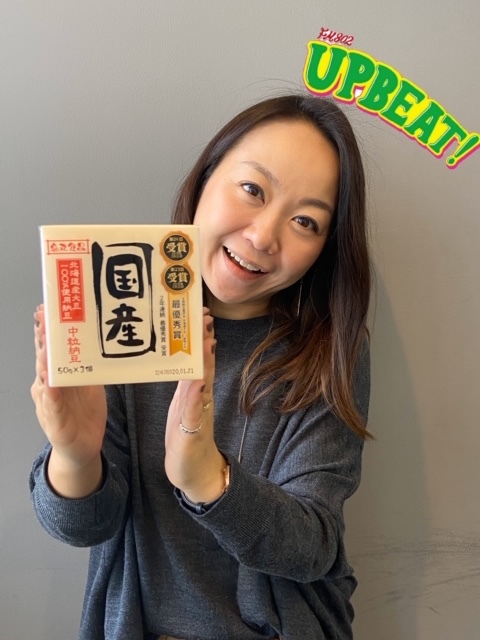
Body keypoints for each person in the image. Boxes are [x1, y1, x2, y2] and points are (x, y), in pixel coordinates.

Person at [30, 93, 371, 640]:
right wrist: (74, 454)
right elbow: (83, 526)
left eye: (305, 221)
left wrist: (208, 478)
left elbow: (315, 546)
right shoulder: (122, 307)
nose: (263, 237)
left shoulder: (328, 349)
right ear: (206, 177)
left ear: (325, 246)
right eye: (252, 190)